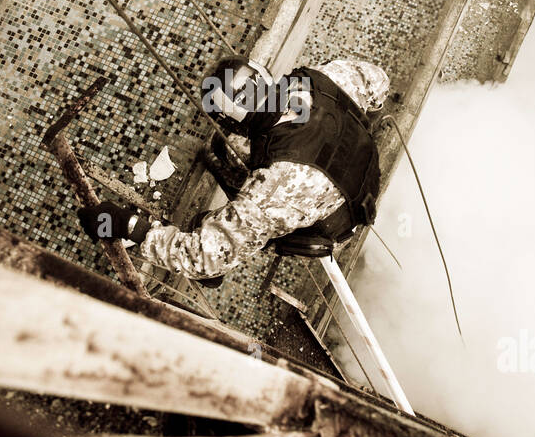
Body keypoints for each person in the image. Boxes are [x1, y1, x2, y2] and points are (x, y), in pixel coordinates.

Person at [77, 57, 389, 283]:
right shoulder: (325, 78)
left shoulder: (273, 191)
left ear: (234, 120)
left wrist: (129, 226)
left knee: (227, 238)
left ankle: (236, 236)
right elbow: (378, 81)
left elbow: (202, 258)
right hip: (364, 172)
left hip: (332, 220)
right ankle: (238, 222)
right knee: (227, 150)